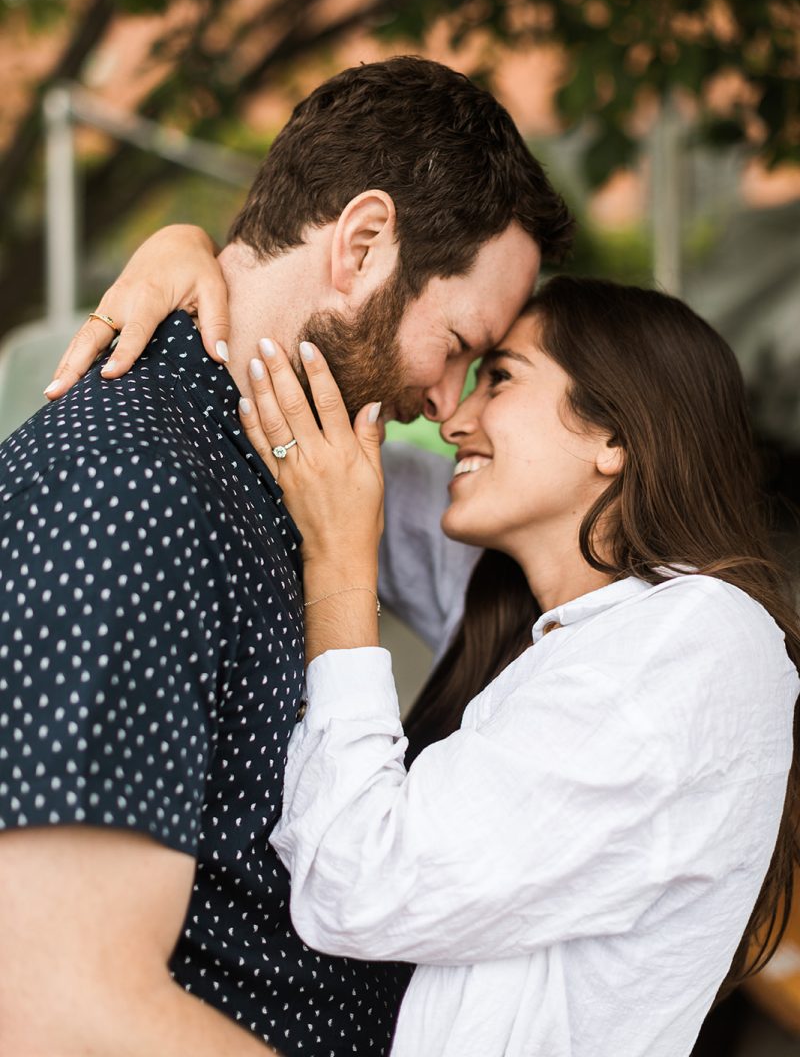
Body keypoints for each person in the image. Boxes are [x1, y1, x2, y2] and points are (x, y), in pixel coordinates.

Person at [0, 56, 573, 1056]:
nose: (445, 407)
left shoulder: (269, 466)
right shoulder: (131, 482)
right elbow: (53, 997)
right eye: (455, 344)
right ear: (360, 243)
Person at [240, 275, 800, 1057]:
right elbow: (314, 456)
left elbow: (356, 885)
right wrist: (192, 263)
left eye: (498, 377)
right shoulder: (542, 613)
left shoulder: (696, 642)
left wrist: (339, 567)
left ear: (616, 436)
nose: (454, 419)